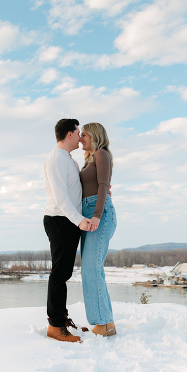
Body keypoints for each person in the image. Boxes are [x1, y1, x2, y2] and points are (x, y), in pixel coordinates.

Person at [43, 119, 94, 343]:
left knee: (64, 273)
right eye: (78, 132)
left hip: (68, 221)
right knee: (59, 273)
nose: (80, 136)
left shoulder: (67, 160)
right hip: (60, 220)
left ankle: (61, 318)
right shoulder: (56, 159)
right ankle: (55, 326)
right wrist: (79, 220)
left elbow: (75, 189)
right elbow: (60, 196)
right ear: (70, 134)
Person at [79, 122, 117, 337]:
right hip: (89, 213)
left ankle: (101, 323)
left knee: (91, 268)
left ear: (94, 135)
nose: (80, 138)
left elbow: (103, 186)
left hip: (98, 214)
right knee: (91, 268)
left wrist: (96, 214)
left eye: (83, 134)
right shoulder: (89, 161)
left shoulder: (102, 154)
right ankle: (107, 322)